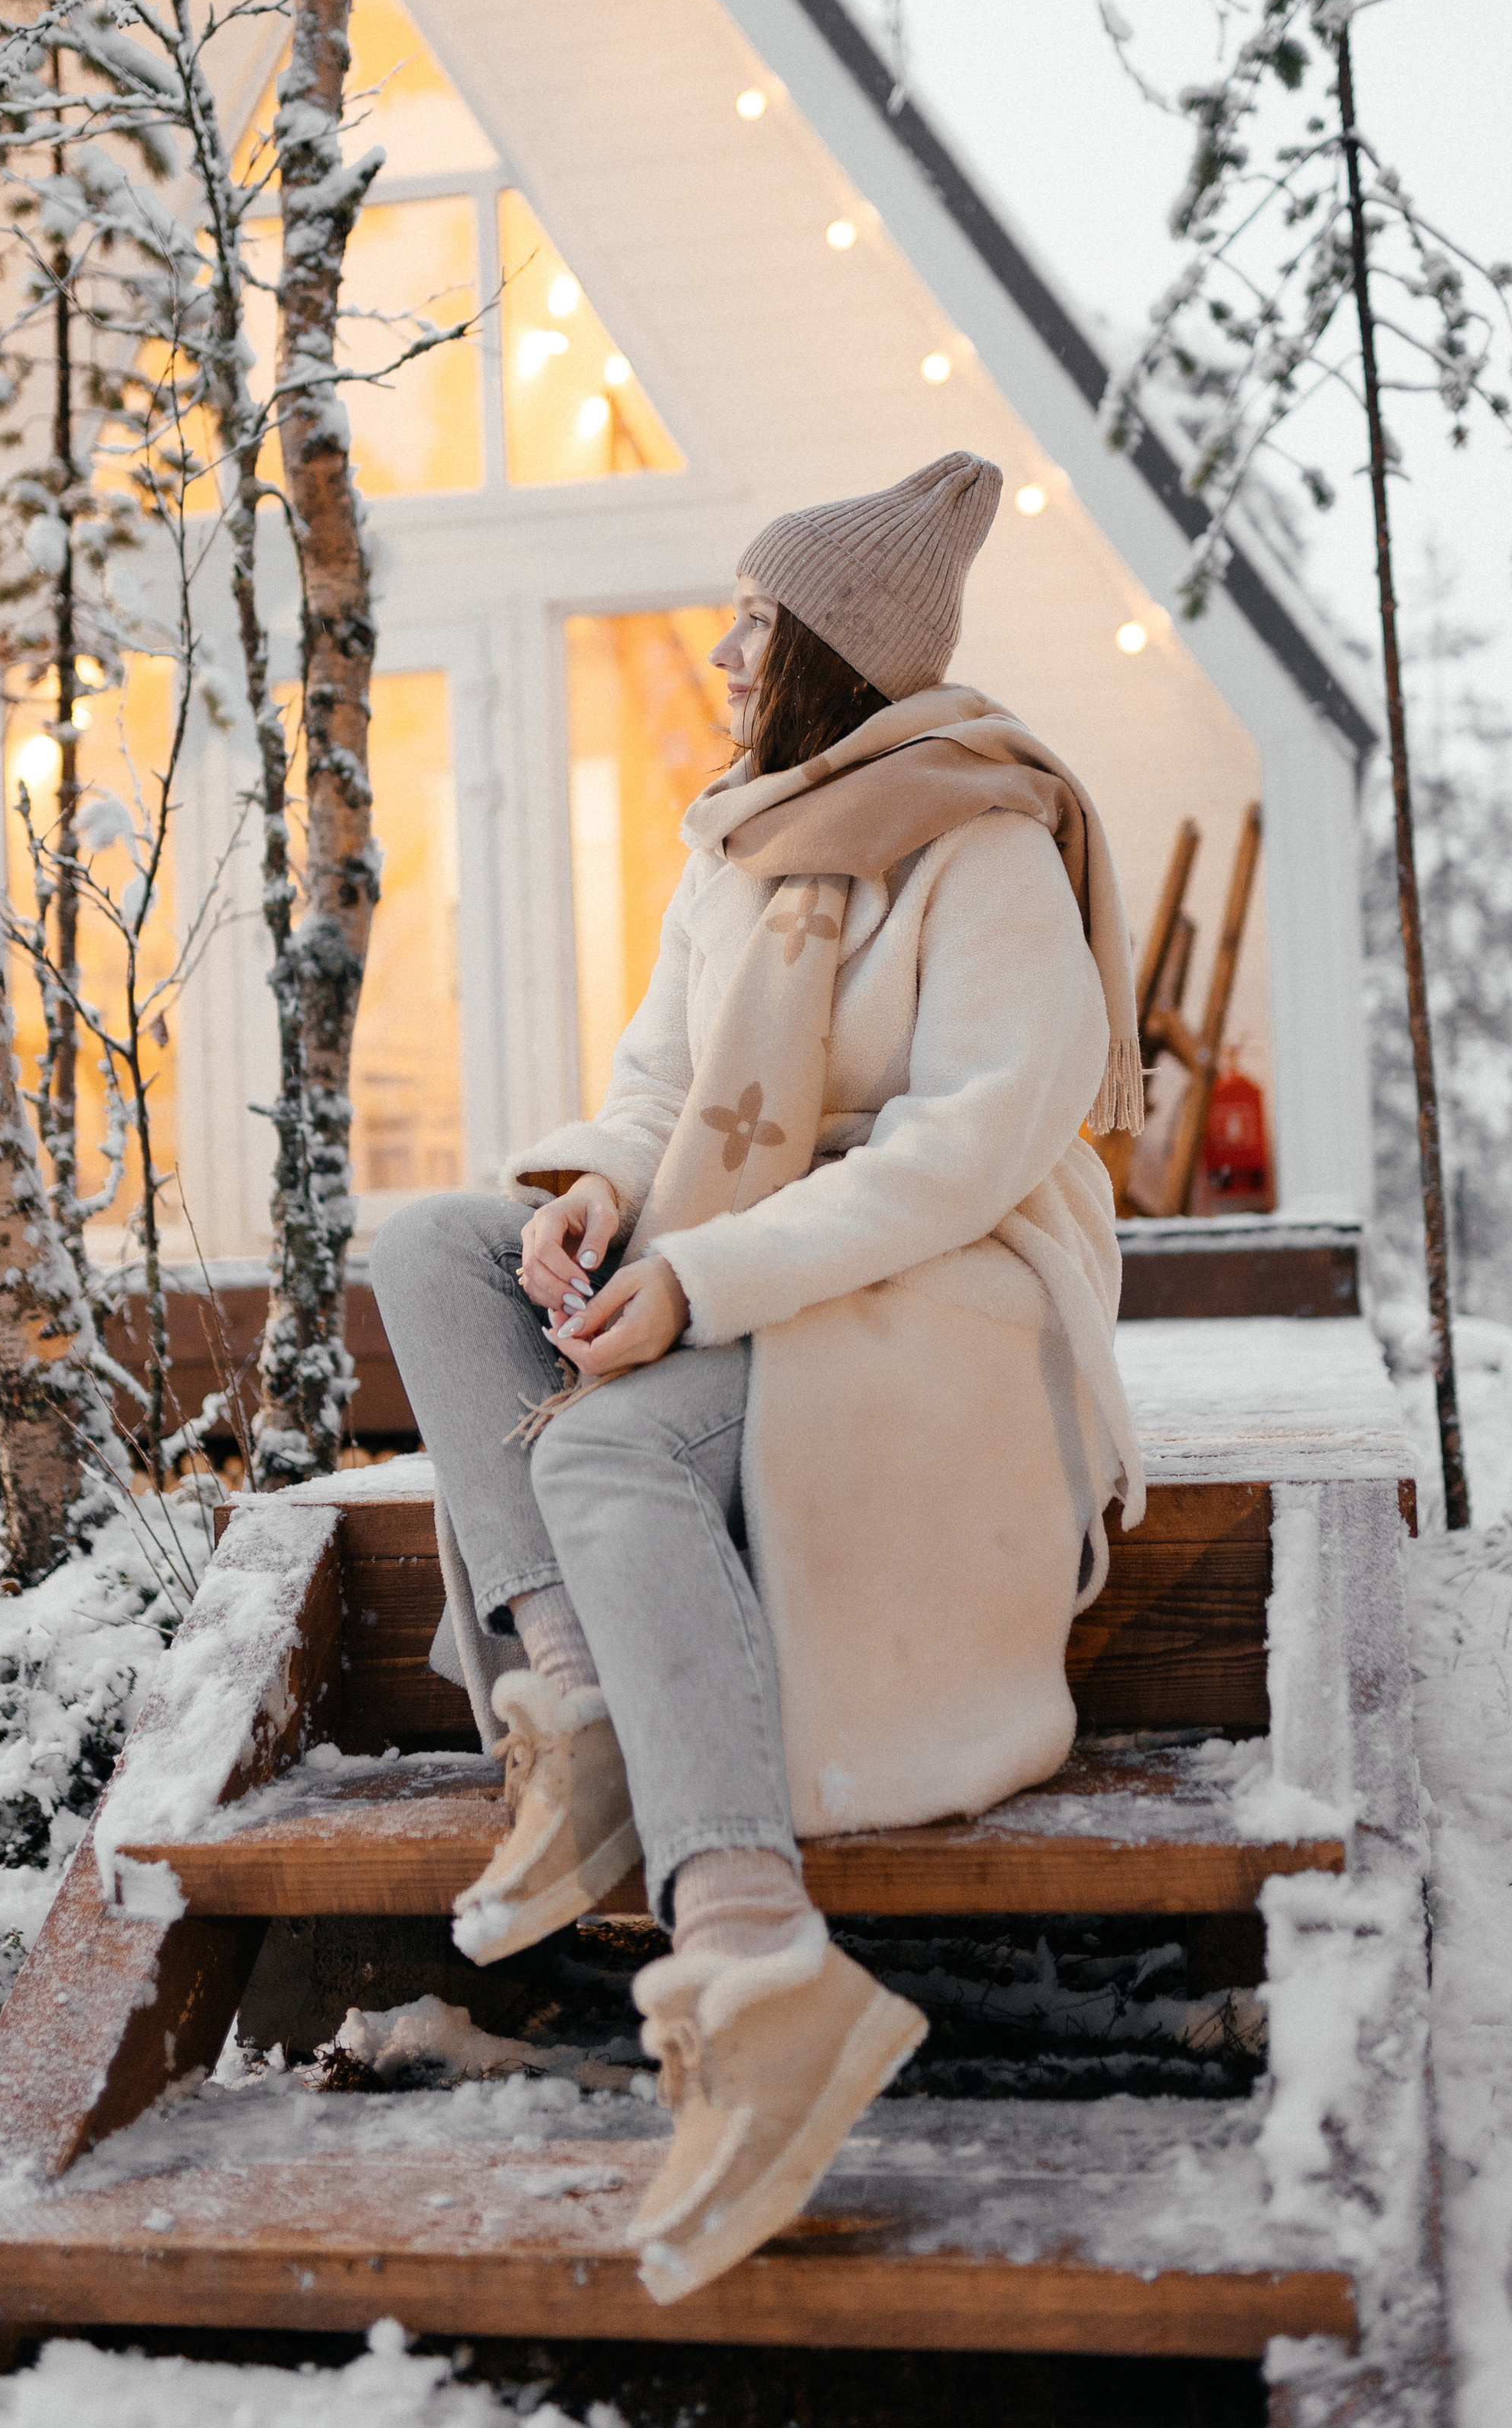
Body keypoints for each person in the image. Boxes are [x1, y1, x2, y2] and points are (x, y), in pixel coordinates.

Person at [371, 449, 1144, 2303]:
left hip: (942, 1289)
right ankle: (584, 1714)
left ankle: (753, 1957)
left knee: (606, 1451)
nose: (724, 653)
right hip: (747, 1257)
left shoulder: (983, 844)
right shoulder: (740, 841)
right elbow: (654, 1089)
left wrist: (699, 1277)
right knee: (429, 1250)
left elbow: (967, 1150)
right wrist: (596, 1199)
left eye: (753, 624)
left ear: (829, 649)